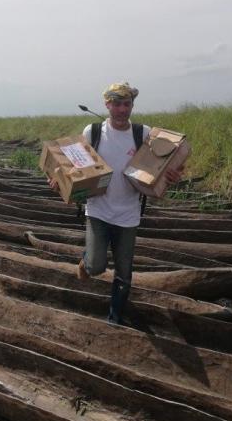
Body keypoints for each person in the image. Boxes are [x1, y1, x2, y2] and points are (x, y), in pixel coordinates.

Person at [55, 82, 183, 324]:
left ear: (132, 105)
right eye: (117, 104)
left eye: (127, 104)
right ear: (107, 105)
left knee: (124, 274)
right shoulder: (92, 132)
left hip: (129, 214)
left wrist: (173, 175)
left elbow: (165, 164)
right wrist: (60, 182)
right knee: (95, 266)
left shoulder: (143, 134)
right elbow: (74, 171)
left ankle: (114, 317)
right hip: (98, 211)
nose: (123, 110)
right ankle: (88, 260)